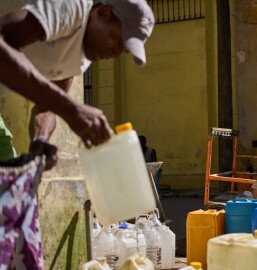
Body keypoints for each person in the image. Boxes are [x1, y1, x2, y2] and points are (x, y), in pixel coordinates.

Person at [0, 0, 154, 268]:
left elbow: (47, 108)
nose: (117, 52)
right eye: (118, 39)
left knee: (9, 187)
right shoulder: (71, 9)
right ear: (103, 12)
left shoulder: (79, 61)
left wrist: (40, 140)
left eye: (124, 50)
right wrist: (72, 109)